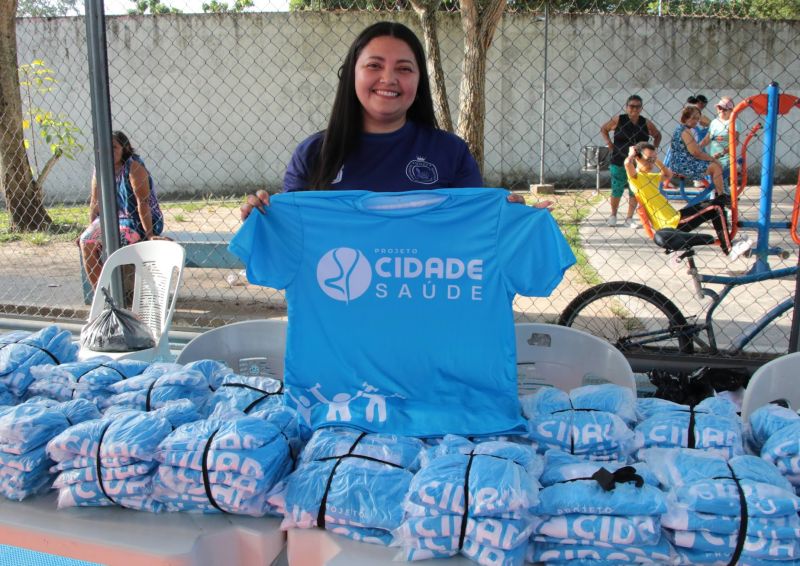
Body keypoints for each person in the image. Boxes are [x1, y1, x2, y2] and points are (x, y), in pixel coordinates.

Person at [240, 21, 544, 219]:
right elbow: (291, 247)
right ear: (351, 75)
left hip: (428, 311)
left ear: (419, 80)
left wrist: (512, 222)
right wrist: (263, 220)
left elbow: (476, 236)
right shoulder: (313, 154)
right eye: (374, 65)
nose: (388, 78)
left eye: (404, 68)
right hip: (338, 315)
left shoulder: (451, 153)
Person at [624, 142, 751, 260]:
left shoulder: (649, 176)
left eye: (653, 160)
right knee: (715, 208)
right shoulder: (636, 178)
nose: (651, 164)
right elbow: (627, 164)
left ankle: (727, 242)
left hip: (676, 217)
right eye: (648, 160)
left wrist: (655, 159)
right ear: (637, 158)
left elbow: (668, 175)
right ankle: (728, 249)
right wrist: (630, 154)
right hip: (671, 224)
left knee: (715, 205)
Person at [79, 131, 164, 288]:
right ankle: (103, 294)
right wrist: (90, 228)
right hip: (112, 219)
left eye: (114, 147)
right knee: (86, 241)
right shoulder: (100, 168)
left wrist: (150, 234)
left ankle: (125, 293)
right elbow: (95, 201)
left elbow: (142, 203)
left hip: (138, 219)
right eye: (105, 147)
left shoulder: (134, 167)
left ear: (124, 148)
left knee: (119, 243)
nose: (109, 152)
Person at [599, 94, 661, 229]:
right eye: (632, 106)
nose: (634, 109)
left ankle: (629, 218)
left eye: (638, 106)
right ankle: (613, 215)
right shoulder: (619, 119)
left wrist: (652, 150)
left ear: (641, 108)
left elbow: (657, 135)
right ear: (627, 107)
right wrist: (609, 143)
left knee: (634, 190)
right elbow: (604, 129)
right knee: (617, 188)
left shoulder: (645, 122)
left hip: (638, 163)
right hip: (619, 159)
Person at [668, 105, 726, 197]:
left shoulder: (682, 129)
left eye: (698, 119)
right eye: (694, 118)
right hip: (683, 165)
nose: (696, 121)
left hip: (682, 162)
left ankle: (717, 193)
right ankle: (721, 195)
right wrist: (713, 159)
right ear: (685, 118)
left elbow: (694, 149)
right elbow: (696, 153)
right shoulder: (685, 131)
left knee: (714, 165)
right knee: (716, 167)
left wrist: (710, 158)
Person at [700, 96, 737, 192]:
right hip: (714, 157)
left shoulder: (733, 123)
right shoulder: (714, 122)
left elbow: (735, 142)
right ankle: (720, 195)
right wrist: (697, 147)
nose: (721, 111)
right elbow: (708, 138)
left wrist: (722, 153)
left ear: (731, 110)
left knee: (721, 178)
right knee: (715, 179)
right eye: (719, 108)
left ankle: (725, 195)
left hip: (726, 157)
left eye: (724, 109)